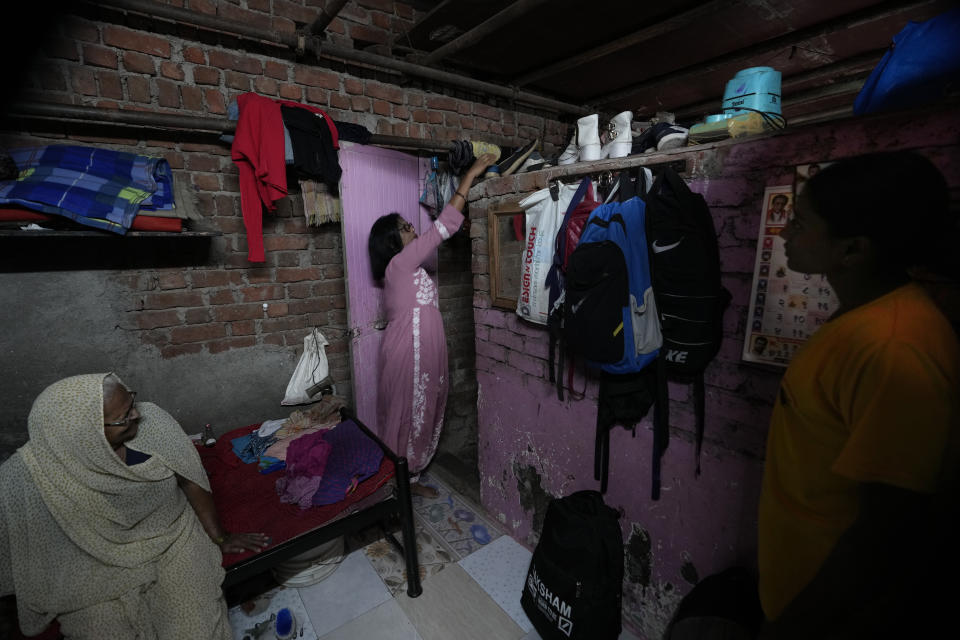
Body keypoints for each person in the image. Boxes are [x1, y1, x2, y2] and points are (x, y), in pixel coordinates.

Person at [757, 151, 959, 638]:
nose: (784, 234)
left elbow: (890, 533)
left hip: (826, 616)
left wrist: (795, 627)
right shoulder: (864, 319)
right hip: (798, 590)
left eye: (800, 224)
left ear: (853, 250)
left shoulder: (894, 347)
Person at [0, 373, 270, 639]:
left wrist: (219, 536)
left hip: (172, 537)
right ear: (85, 434)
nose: (137, 416)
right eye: (123, 417)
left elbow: (191, 480)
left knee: (196, 627)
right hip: (93, 559)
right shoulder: (29, 473)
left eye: (132, 403)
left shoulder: (153, 425)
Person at [368, 152, 495, 497]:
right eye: (405, 227)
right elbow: (445, 225)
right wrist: (471, 174)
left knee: (423, 409)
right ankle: (396, 483)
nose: (412, 228)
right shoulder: (399, 263)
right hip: (409, 350)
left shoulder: (406, 267)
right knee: (406, 412)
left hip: (424, 346)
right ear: (392, 240)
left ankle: (408, 479)